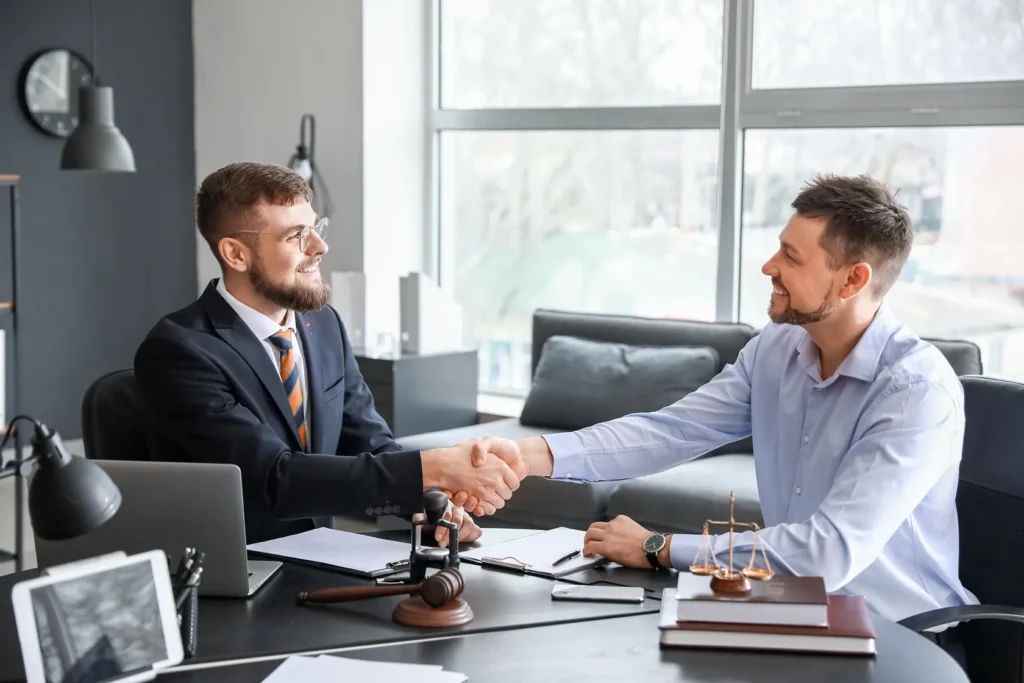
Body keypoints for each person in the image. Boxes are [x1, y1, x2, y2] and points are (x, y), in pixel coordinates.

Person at [458, 174, 979, 627]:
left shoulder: (915, 394)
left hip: (900, 635)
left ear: (853, 279)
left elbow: (827, 551)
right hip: (795, 609)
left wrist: (658, 548)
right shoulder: (777, 349)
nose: (768, 267)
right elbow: (672, 430)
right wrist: (525, 457)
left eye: (791, 257)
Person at [134, 161, 524, 545]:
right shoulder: (178, 351)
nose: (320, 247)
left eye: (315, 228)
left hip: (324, 555)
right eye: (296, 236)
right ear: (236, 254)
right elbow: (276, 479)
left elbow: (367, 441)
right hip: (242, 575)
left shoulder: (321, 323)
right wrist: (433, 466)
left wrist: (426, 503)